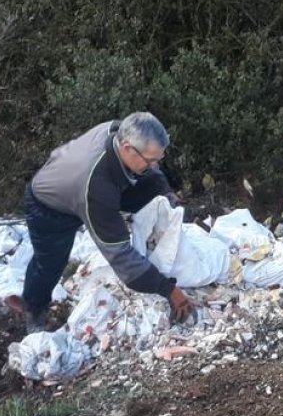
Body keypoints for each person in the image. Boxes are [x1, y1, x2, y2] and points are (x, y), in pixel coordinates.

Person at [18, 112, 196, 333]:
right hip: (49, 207)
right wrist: (170, 291)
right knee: (50, 263)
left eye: (157, 159)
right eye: (150, 160)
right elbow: (122, 259)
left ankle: (142, 214)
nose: (153, 164)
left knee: (153, 180)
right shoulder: (97, 190)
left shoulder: (120, 130)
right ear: (127, 148)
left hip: (79, 183)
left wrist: (165, 193)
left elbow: (152, 173)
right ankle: (33, 309)